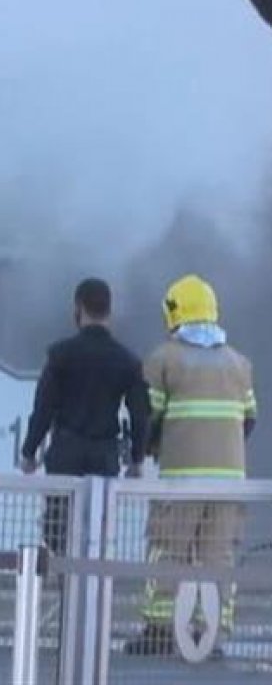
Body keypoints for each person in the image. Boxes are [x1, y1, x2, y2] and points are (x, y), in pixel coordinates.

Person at [125, 274, 255, 658]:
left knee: (169, 549)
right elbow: (249, 419)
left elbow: (150, 415)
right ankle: (210, 634)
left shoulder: (164, 358)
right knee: (218, 554)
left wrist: (146, 450)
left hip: (180, 479)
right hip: (230, 481)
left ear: (173, 311)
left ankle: (161, 629)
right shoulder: (239, 363)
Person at [19, 278, 151, 554]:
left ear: (78, 309)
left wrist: (29, 452)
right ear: (109, 312)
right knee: (98, 534)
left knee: (58, 532)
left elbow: (43, 408)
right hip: (103, 457)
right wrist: (137, 460)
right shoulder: (127, 360)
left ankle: (66, 591)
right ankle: (93, 593)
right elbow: (140, 414)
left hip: (65, 454)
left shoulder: (60, 355)